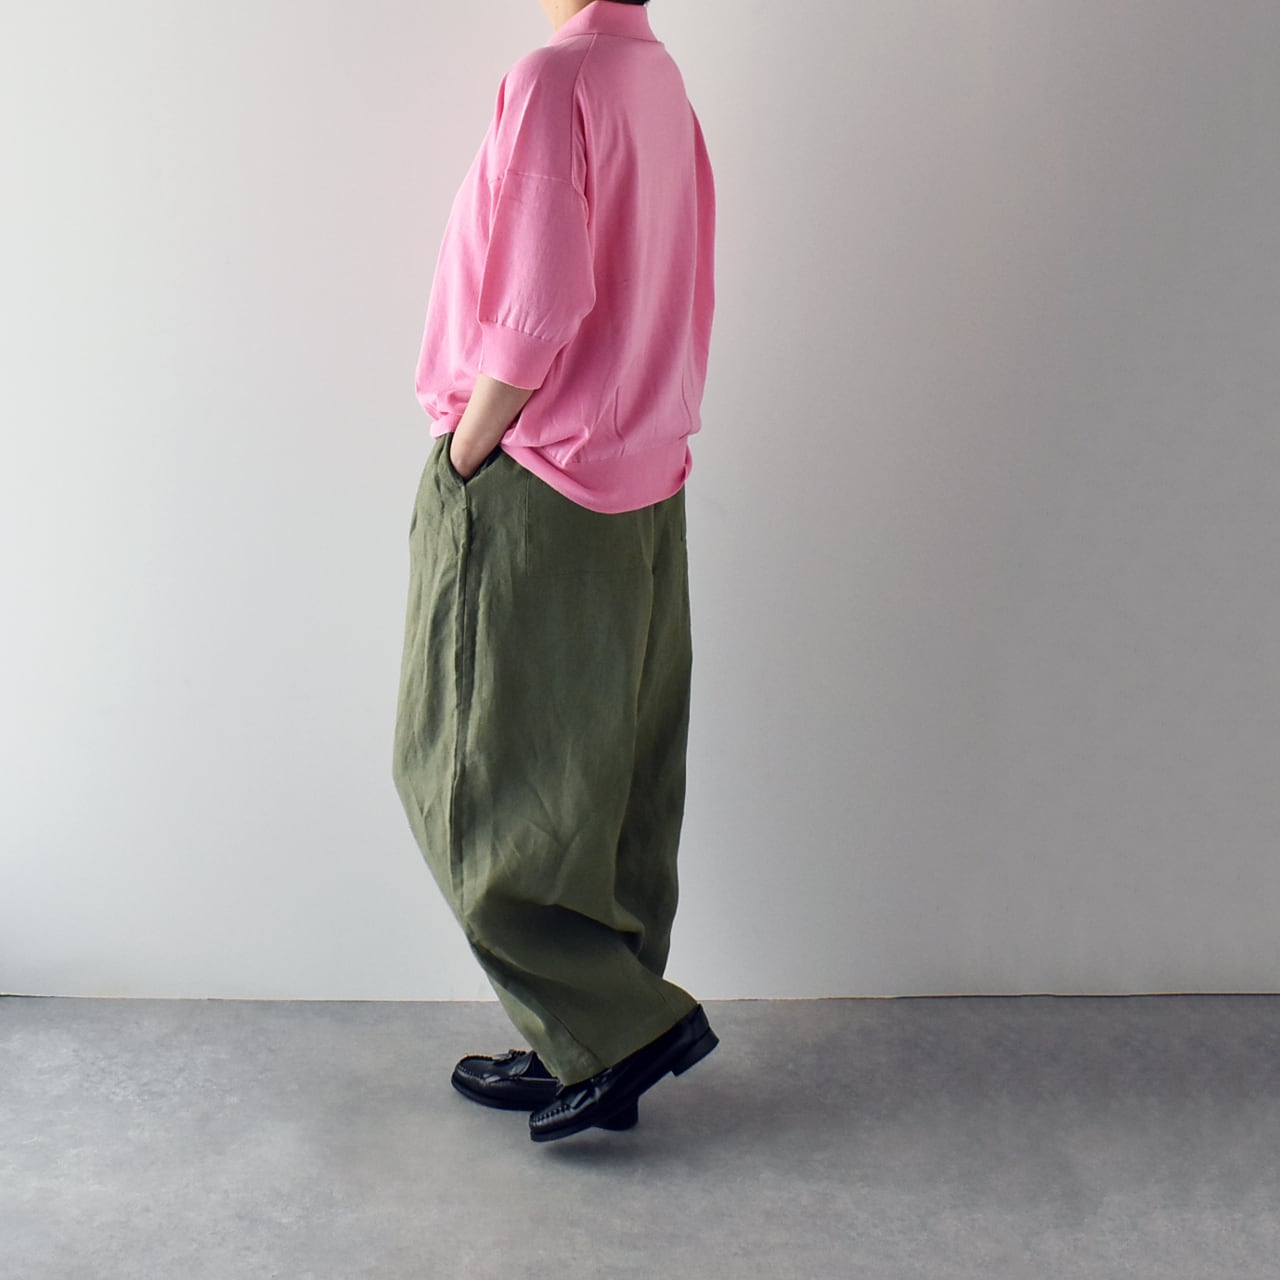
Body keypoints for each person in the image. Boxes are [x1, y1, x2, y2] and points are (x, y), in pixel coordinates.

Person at [391, 0, 717, 1144]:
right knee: (612, 778)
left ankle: (617, 1028)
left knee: (463, 771)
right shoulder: (654, 77)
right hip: (645, 474)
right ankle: (594, 1029)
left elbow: (535, 306)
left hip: (538, 471)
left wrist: (466, 449)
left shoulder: (553, 79)